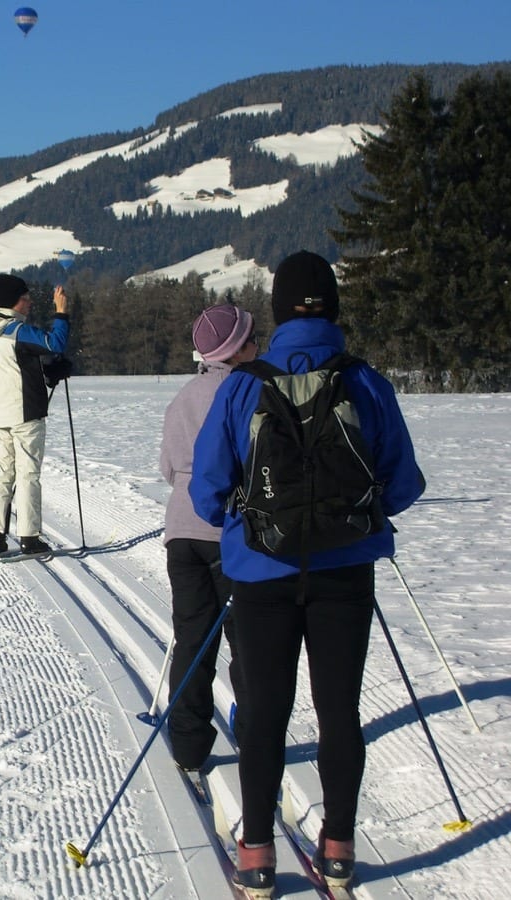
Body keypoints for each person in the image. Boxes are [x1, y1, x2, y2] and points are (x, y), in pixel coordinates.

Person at [190, 251, 425, 897]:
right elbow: (403, 485)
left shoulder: (244, 385)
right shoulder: (367, 382)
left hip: (261, 571)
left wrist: (249, 517)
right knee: (338, 711)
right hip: (346, 574)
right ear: (334, 308)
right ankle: (340, 849)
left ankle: (258, 855)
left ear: (276, 310)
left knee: (265, 713)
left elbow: (208, 492)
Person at [159, 303, 256, 773]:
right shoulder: (248, 391)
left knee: (193, 639)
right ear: (237, 348)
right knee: (246, 641)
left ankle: (188, 743)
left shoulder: (184, 395)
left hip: (181, 531)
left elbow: (166, 467)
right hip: (229, 531)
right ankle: (254, 729)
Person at [0, 274, 69, 555]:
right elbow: (55, 343)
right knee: (29, 473)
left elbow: (15, 367)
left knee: (2, 474)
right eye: (25, 297)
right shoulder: (18, 331)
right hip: (26, 414)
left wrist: (45, 373)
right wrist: (61, 312)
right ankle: (29, 538)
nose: (30, 302)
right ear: (14, 301)